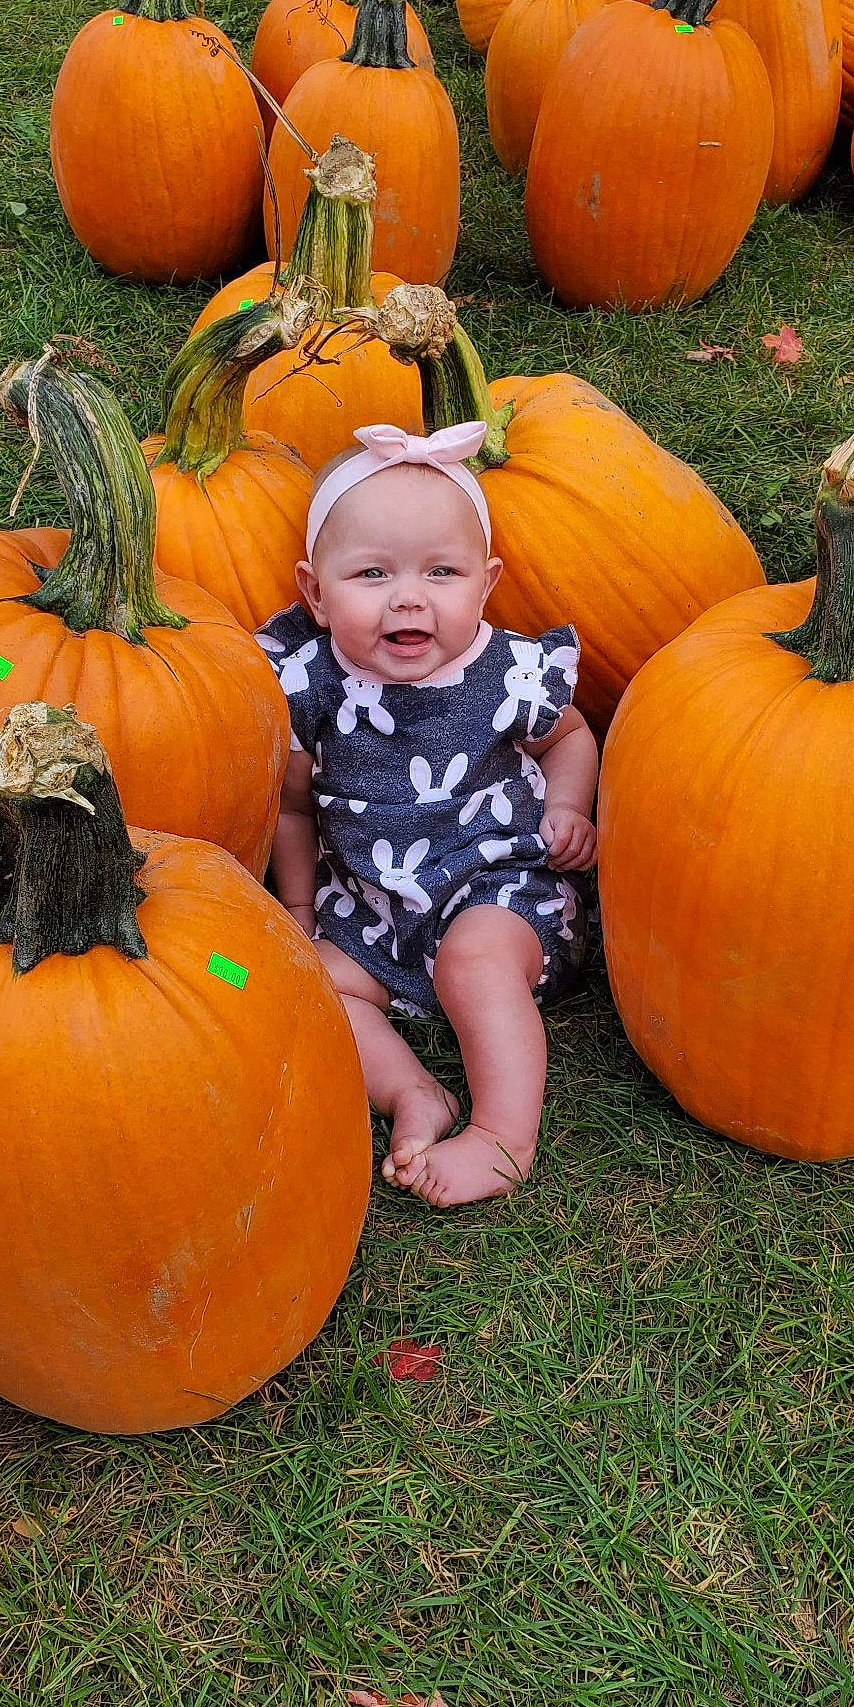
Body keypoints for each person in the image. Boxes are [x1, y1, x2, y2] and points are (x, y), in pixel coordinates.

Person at [255, 421, 598, 1208]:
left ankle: (503, 1136)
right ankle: (412, 1093)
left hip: (499, 894)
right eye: (371, 573)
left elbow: (572, 736)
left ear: (485, 582)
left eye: (441, 572)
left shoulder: (508, 673)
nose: (408, 595)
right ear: (313, 591)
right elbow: (293, 804)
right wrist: (302, 908)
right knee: (305, 988)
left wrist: (570, 808)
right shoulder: (306, 686)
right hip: (371, 912)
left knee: (473, 965)